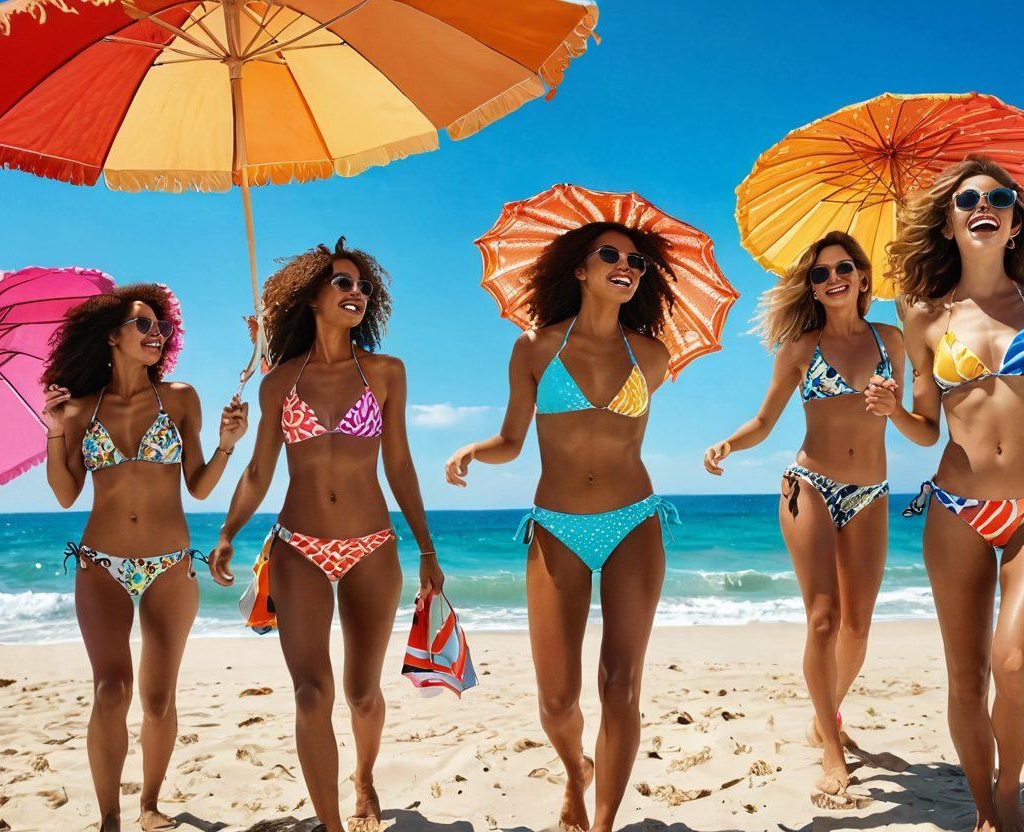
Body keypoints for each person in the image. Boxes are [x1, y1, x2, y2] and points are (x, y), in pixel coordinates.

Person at [876, 155, 1024, 832]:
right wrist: (892, 409)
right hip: (955, 509)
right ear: (948, 223)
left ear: (1013, 222)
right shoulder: (920, 312)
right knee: (967, 677)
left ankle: (1010, 794)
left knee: (1012, 660)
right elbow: (924, 428)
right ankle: (985, 807)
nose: (985, 203)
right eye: (967, 197)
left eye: (999, 197)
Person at [445, 222, 679, 832]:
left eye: (635, 260)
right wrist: (475, 450)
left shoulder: (650, 356)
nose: (625, 264)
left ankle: (602, 823)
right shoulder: (536, 348)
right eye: (610, 255)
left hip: (635, 521)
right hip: (557, 526)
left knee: (621, 685)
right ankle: (577, 771)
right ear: (579, 269)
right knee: (556, 701)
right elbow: (512, 440)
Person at [208, 238, 444, 832]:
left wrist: (428, 548)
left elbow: (401, 466)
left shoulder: (386, 372)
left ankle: (364, 779)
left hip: (372, 546)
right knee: (312, 694)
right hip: (298, 547)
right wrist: (229, 531)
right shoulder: (278, 382)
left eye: (363, 286)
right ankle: (332, 825)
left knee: (362, 693)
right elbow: (260, 470)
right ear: (312, 297)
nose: (356, 293)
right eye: (343, 283)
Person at [703, 231, 903, 801]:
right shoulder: (799, 346)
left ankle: (826, 713)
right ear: (811, 287)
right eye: (819, 273)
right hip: (808, 484)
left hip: (871, 491)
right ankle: (832, 745)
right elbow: (764, 422)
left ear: (864, 277)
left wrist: (897, 407)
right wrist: (728, 445)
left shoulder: (893, 340)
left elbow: (909, 415)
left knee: (858, 627)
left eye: (844, 268)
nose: (832, 278)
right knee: (823, 618)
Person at [40, 283, 247, 832]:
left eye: (161, 328)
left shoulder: (179, 399)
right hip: (101, 563)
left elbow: (199, 487)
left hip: (170, 565)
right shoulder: (81, 410)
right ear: (113, 336)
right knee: (111, 690)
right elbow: (64, 494)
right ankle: (109, 817)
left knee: (157, 700)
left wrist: (227, 443)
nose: (157, 335)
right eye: (144, 325)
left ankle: (150, 804)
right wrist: (55, 435)